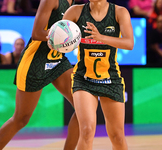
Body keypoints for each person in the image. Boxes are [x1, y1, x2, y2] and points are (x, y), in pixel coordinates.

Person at [0, 0, 79, 150]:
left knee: (83, 109)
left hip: (56, 59)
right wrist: (63, 39)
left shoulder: (74, 4)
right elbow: (37, 33)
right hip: (35, 60)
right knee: (21, 119)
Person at [61, 0, 134, 149]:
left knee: (117, 136)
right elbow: (61, 37)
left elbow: (129, 43)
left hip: (111, 78)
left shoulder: (120, 12)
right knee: (87, 130)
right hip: (83, 79)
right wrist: (55, 41)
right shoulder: (75, 11)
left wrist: (101, 37)